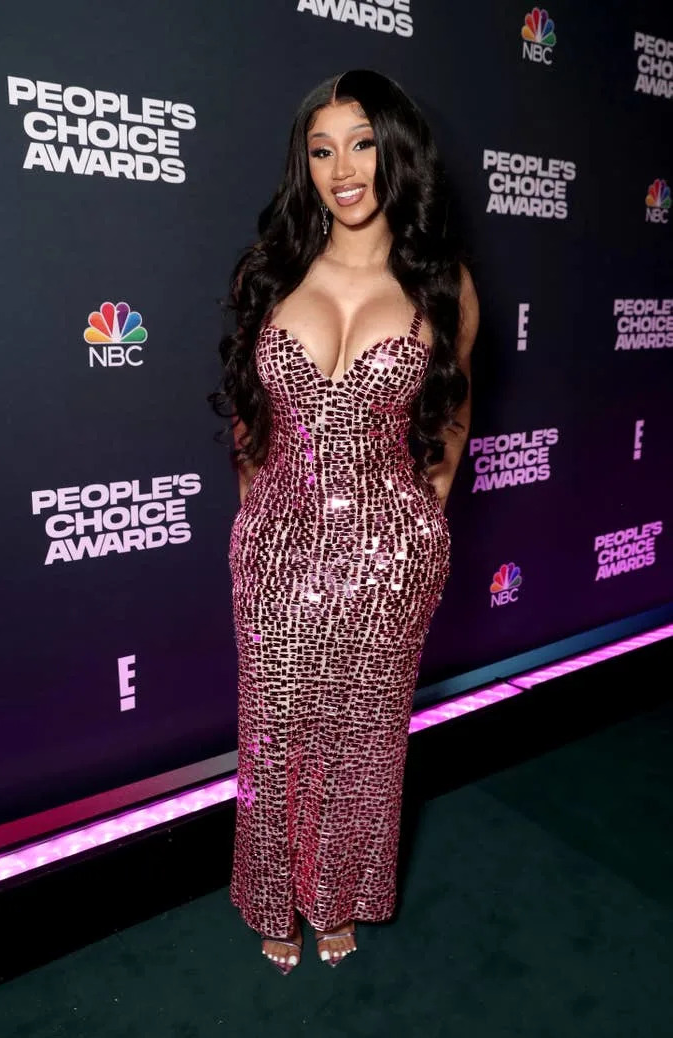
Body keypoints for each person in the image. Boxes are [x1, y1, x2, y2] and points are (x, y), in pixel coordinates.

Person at [210, 69, 479, 974]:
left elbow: (451, 421)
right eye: (321, 149)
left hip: (389, 552)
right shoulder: (271, 270)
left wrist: (422, 529)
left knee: (364, 740)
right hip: (278, 545)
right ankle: (273, 900)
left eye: (361, 142)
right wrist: (257, 526)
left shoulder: (444, 289)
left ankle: (340, 898)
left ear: (397, 148)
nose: (342, 168)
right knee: (276, 727)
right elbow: (250, 422)